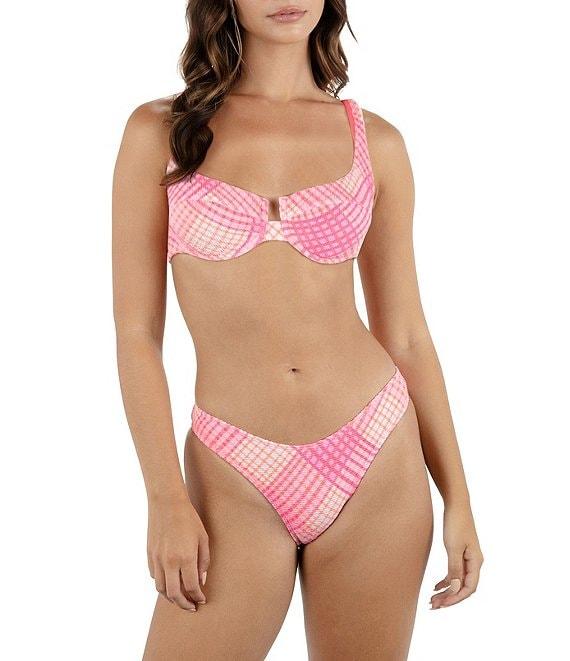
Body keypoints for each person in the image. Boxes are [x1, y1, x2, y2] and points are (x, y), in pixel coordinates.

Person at [112, 1, 484, 658]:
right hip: (234, 468)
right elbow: (137, 333)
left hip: (376, 454)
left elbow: (405, 334)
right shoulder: (160, 132)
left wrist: (458, 495)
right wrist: (165, 497)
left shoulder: (377, 142)